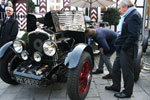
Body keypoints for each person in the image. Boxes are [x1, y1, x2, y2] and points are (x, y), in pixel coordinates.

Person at [105, 0, 142, 98]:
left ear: (125, 6)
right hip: (121, 48)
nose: (119, 10)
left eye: (119, 8)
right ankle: (116, 86)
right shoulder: (128, 15)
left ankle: (127, 92)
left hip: (127, 49)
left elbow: (134, 35)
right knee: (116, 68)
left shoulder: (134, 15)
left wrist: (124, 47)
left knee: (127, 72)